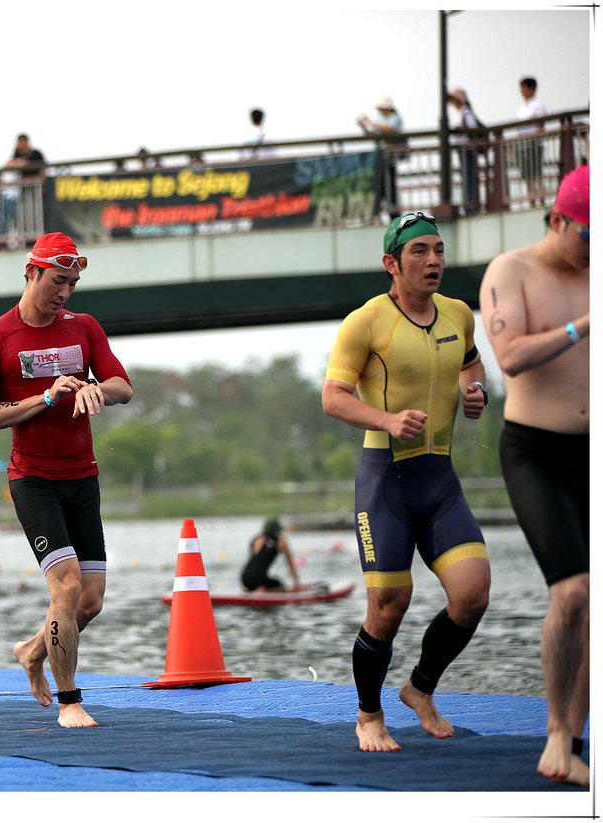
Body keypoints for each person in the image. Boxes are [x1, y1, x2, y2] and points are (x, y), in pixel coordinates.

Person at [321, 210, 491, 753]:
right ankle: (368, 716)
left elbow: (472, 364)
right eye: (419, 252)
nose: (434, 260)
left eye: (438, 250)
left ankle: (419, 688)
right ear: (391, 263)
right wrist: (389, 420)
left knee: (473, 595)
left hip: (439, 480)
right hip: (385, 483)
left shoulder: (458, 314)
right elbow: (333, 398)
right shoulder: (366, 321)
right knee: (389, 606)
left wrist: (475, 393)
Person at [0, 231, 133, 729]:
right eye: (58, 281)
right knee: (67, 588)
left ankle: (32, 651)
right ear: (31, 272)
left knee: (91, 602)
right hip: (34, 480)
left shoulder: (84, 328)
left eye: (73, 285)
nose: (64, 293)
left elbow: (123, 385)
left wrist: (97, 389)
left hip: (84, 477)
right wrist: (47, 398)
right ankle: (70, 701)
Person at [478, 166, 589, 786]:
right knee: (571, 592)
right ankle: (553, 732)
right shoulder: (512, 271)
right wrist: (584, 323)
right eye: (588, 236)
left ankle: (573, 743)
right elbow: (512, 358)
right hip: (536, 451)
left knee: (592, 604)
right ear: (557, 220)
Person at [358, 97, 405, 217]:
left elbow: (389, 129)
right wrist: (363, 126)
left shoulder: (395, 118)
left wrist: (370, 122)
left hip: (390, 155)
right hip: (381, 154)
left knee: (390, 180)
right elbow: (373, 134)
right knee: (381, 181)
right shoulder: (380, 119)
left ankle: (393, 208)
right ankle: (382, 209)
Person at [447, 87, 483, 213]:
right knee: (466, 178)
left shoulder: (466, 113)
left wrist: (460, 129)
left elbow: (472, 131)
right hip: (463, 150)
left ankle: (470, 207)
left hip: (467, 150)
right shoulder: (463, 113)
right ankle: (469, 205)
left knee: (468, 178)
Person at [240, 517, 300, 592]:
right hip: (259, 580)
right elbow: (290, 565)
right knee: (282, 587)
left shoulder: (256, 540)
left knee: (257, 576)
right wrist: (297, 584)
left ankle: (248, 589)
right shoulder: (281, 542)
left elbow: (254, 563)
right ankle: (263, 590)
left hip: (244, 578)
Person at [3, 134, 46, 237]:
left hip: (36, 189)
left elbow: (43, 170)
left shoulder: (36, 154)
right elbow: (7, 163)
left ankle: (37, 236)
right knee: (24, 214)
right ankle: (27, 237)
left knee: (36, 212)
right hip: (23, 190)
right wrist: (20, 162)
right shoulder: (17, 154)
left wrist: (25, 163)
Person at [515, 77, 550, 207]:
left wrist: (536, 138)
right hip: (523, 144)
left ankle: (541, 200)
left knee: (536, 172)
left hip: (534, 143)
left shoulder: (538, 105)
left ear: (532, 89)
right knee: (527, 175)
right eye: (521, 88)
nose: (522, 91)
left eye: (524, 88)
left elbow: (541, 125)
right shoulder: (522, 107)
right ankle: (532, 201)